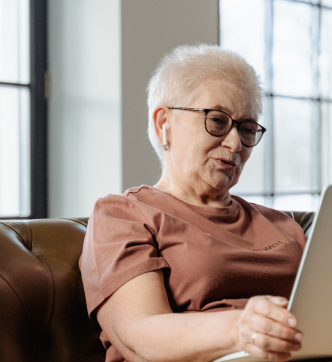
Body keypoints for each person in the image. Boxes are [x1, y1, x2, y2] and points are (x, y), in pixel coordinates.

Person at [80, 44, 306, 362]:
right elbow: (139, 333)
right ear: (164, 124)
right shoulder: (123, 215)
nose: (235, 143)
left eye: (246, 129)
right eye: (217, 121)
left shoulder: (284, 226)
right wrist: (242, 329)